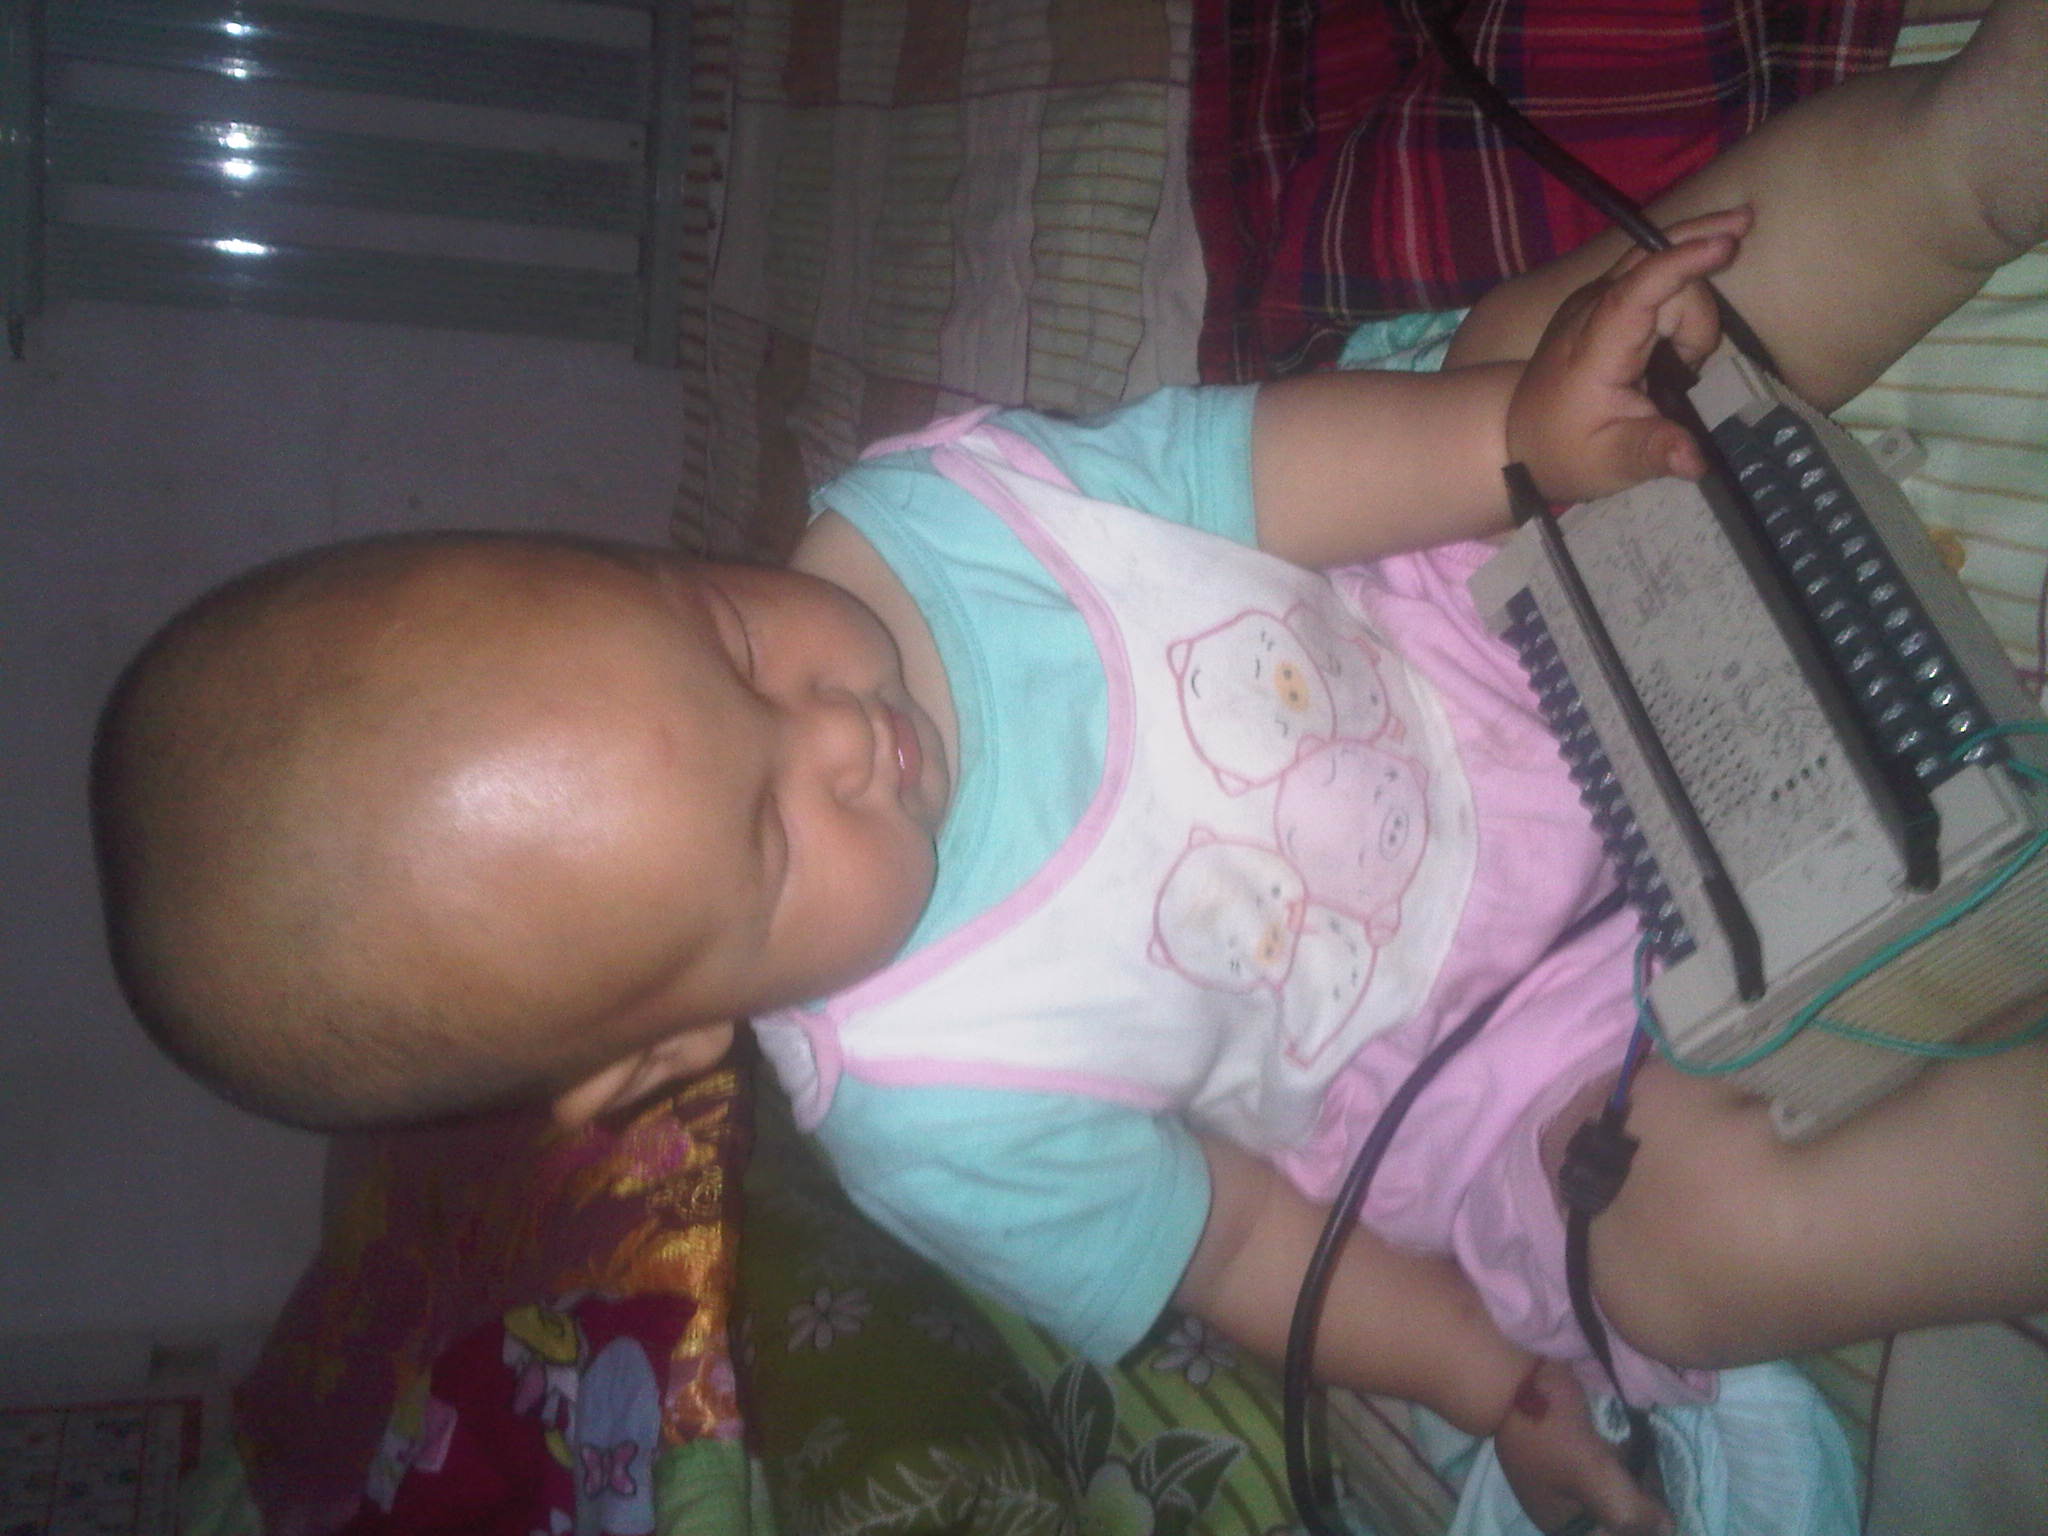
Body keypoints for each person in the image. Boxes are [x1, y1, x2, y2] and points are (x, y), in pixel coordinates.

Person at [92, 5, 2048, 1532]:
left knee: (1593, 330)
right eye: (765, 833)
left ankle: (1972, 152)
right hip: (1481, 1061)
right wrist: (1489, 1380)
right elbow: (1240, 1238)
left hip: (1444, 598)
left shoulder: (930, 526)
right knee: (1681, 1266)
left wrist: (1512, 445)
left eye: (720, 638)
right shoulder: (935, 1120)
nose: (839, 726)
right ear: (670, 1050)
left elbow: (1251, 466)